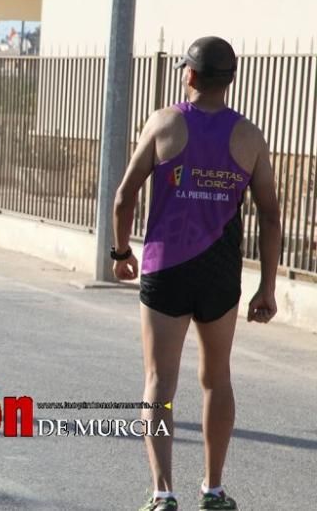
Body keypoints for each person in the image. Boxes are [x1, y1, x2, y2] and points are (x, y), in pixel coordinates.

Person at [112, 37, 280, 511]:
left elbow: (124, 196)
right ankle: (213, 488)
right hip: (220, 273)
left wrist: (120, 251)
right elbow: (271, 216)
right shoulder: (249, 136)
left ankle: (163, 492)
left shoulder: (165, 123)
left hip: (166, 267)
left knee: (159, 381)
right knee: (216, 378)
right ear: (230, 79)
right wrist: (267, 287)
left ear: (188, 74)